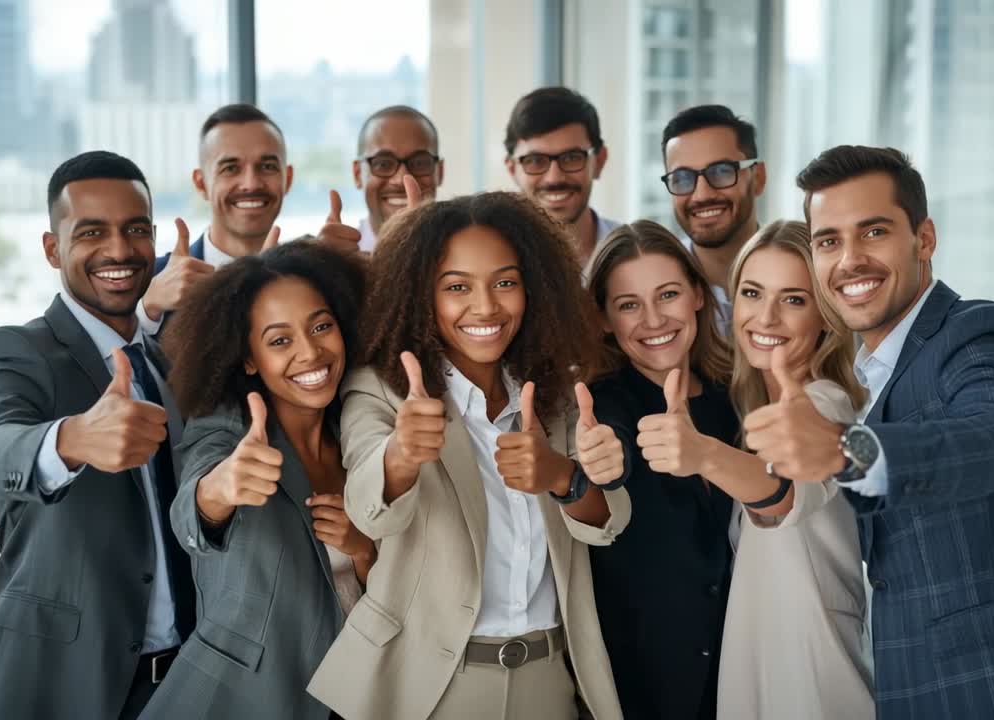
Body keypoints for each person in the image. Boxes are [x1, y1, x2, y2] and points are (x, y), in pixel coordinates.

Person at [746, 145, 994, 718]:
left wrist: (846, 450)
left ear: (923, 239)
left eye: (873, 232)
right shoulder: (874, 377)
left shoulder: (978, 334)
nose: (850, 260)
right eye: (828, 241)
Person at [307, 192, 630, 720]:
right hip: (424, 684)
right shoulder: (381, 388)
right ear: (421, 296)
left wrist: (561, 476)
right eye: (457, 287)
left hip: (547, 677)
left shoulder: (554, 393)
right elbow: (369, 510)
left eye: (505, 283)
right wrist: (403, 455)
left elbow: (607, 523)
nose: (485, 307)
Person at [0, 151, 195, 720]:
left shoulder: (169, 361)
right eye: (92, 232)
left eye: (135, 229)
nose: (119, 250)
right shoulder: (17, 350)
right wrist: (70, 439)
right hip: (62, 687)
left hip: (184, 687)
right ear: (52, 249)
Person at [140, 242, 370, 719]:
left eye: (321, 327)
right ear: (249, 359)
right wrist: (221, 488)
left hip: (353, 700)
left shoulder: (359, 430)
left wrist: (364, 550)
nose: (310, 352)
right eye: (280, 341)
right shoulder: (228, 427)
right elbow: (192, 512)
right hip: (237, 700)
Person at [582, 220, 738, 719]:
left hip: (741, 679)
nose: (653, 319)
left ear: (698, 294)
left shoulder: (736, 397)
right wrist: (602, 459)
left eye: (668, 294)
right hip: (644, 692)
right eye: (629, 304)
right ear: (604, 319)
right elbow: (611, 452)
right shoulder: (604, 406)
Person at [716, 220, 872, 718]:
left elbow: (782, 494)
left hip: (814, 682)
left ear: (825, 316)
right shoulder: (754, 412)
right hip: (764, 673)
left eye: (794, 299)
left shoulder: (825, 406)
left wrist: (699, 454)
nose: (766, 316)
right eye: (752, 293)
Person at [138, 103, 292, 333]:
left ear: (288, 178)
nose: (251, 183)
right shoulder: (148, 285)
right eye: (230, 168)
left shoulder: (311, 278)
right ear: (201, 183)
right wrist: (147, 309)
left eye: (267, 166)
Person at [661, 104, 766, 321]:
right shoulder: (653, 286)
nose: (702, 195)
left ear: (758, 178)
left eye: (721, 172)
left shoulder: (804, 275)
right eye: (682, 178)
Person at [504, 87, 617, 266]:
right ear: (512, 170)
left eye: (571, 158)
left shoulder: (639, 256)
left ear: (599, 161)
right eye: (535, 160)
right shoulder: (494, 261)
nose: (554, 178)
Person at [313, 105, 443, 253]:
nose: (401, 180)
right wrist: (323, 262)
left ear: (440, 172)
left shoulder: (460, 256)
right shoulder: (335, 257)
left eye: (419, 163)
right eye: (383, 164)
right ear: (357, 174)